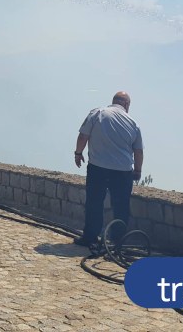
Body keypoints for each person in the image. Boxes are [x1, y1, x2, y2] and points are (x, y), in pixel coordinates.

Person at [73, 91, 144, 254]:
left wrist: (78, 153)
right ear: (126, 105)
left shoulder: (97, 112)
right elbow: (138, 151)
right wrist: (138, 171)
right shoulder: (133, 123)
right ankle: (117, 241)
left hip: (98, 167)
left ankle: (90, 236)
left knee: (94, 203)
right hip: (123, 171)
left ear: (114, 101)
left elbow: (83, 136)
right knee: (121, 206)